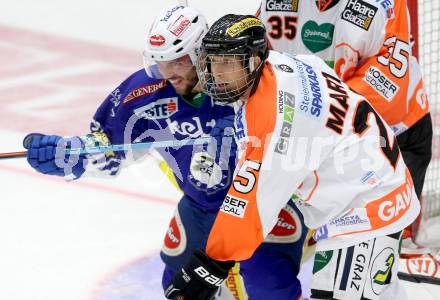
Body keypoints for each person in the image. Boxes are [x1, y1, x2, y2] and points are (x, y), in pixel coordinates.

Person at [23, 5, 307, 300]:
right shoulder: (143, 92)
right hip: (202, 207)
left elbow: (304, 129)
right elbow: (109, 147)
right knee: (179, 287)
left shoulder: (244, 79)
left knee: (269, 284)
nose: (169, 73)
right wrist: (69, 157)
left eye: (178, 61)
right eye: (161, 63)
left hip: (265, 206)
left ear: (201, 53)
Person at [164, 14, 420, 300]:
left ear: (254, 61)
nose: (215, 73)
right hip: (378, 187)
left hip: (365, 209)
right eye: (212, 62)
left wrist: (210, 265)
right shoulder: (287, 63)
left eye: (227, 63)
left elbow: (250, 207)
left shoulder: (272, 118)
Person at [256, 0, 432, 248]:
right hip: (323, 143)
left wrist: (314, 113)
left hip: (392, 138)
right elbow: (255, 61)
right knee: (319, 251)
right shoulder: (275, 5)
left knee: (374, 251)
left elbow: (388, 85)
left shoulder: (384, 5)